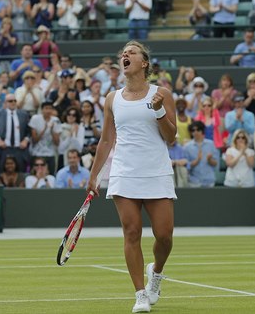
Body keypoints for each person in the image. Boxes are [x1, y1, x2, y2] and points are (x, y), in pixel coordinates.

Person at [85, 41, 177, 313]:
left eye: (131, 52)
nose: (125, 55)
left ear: (144, 62)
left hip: (156, 171)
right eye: (123, 53)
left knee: (165, 236)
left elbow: (171, 138)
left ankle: (156, 274)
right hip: (125, 173)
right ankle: (140, 293)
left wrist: (159, 110)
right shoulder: (112, 98)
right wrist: (94, 176)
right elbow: (105, 141)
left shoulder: (162, 93)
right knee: (132, 232)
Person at [0, 93, 31, 172]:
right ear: (5, 103)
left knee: (20, 173)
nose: (13, 103)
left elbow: (29, 130)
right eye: (10, 101)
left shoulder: (24, 114)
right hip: (4, 149)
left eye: (14, 101)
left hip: (19, 149)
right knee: (2, 173)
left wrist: (26, 140)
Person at [29, 101, 62, 174]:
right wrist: (44, 129)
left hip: (50, 154)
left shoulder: (56, 120)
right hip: (37, 153)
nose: (48, 111)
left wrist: (51, 130)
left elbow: (57, 142)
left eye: (50, 108)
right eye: (46, 108)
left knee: (50, 175)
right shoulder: (35, 119)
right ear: (42, 110)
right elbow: (34, 140)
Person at [184, 120, 220, 187]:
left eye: (198, 129)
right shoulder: (187, 147)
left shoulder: (211, 144)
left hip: (209, 181)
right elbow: (186, 165)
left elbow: (216, 163)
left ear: (202, 131)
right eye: (193, 130)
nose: (195, 132)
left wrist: (209, 160)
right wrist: (197, 160)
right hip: (193, 181)